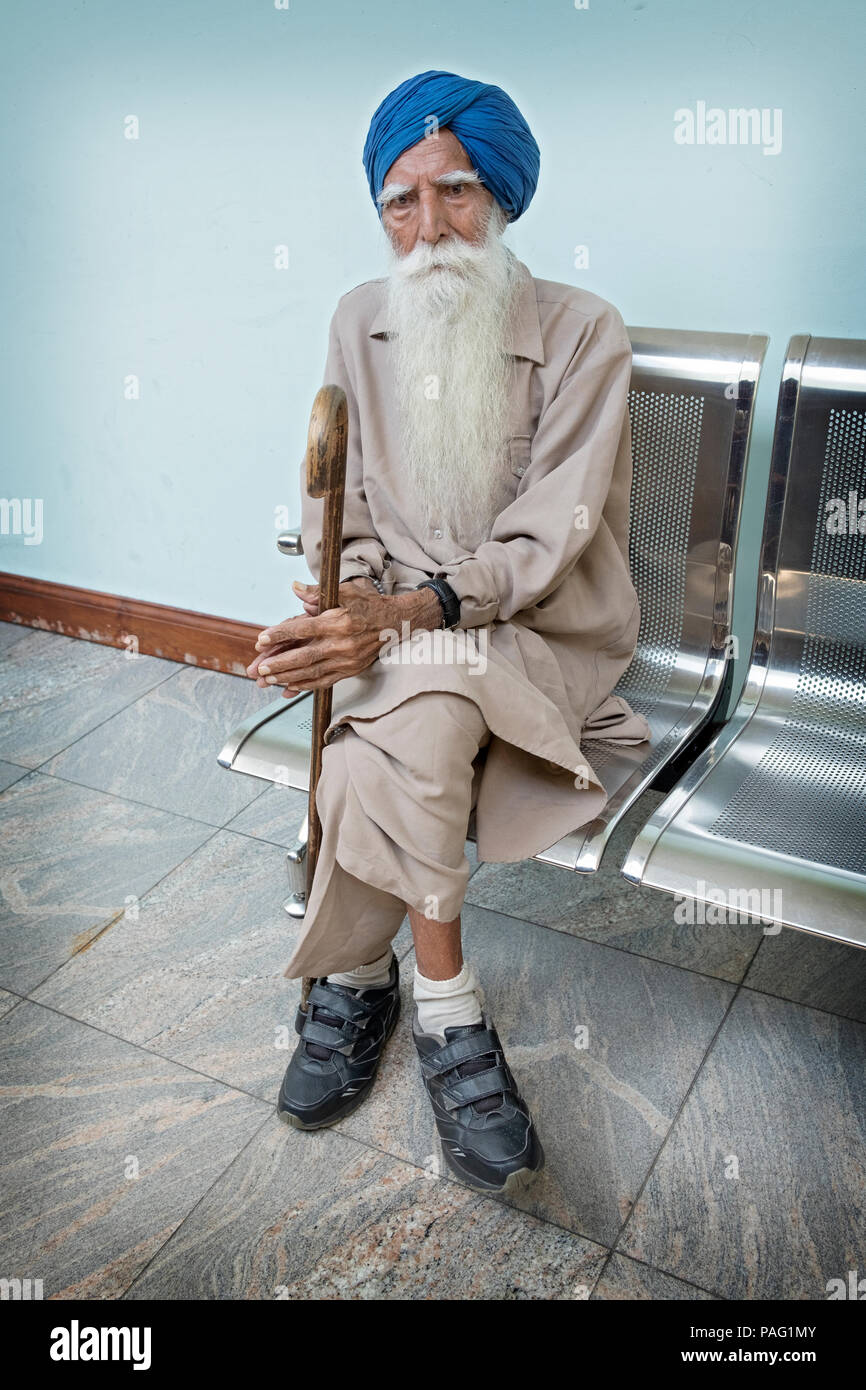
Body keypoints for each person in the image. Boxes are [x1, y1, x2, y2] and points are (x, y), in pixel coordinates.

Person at [246, 69, 651, 1195]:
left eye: (457, 192)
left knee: (398, 711)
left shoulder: (582, 331)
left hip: (533, 630)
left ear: (504, 198)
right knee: (409, 718)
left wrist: (404, 617)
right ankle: (440, 1011)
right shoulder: (355, 320)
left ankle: (367, 981)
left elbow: (549, 537)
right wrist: (341, 613)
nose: (429, 229)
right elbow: (342, 517)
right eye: (400, 204)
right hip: (404, 633)